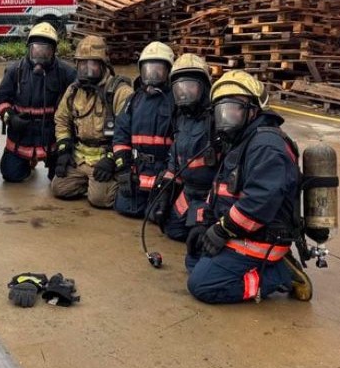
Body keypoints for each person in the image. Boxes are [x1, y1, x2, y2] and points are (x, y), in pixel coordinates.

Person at [186, 70, 312, 304]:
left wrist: (222, 230)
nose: (226, 117)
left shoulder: (266, 146)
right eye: (221, 111)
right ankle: (267, 268)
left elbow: (259, 203)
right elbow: (220, 191)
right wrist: (204, 223)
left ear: (254, 110)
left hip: (261, 238)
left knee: (202, 286)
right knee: (193, 261)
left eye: (234, 109)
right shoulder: (242, 140)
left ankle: (279, 275)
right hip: (242, 231)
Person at [49, 35, 133, 208]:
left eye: (92, 64)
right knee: (59, 188)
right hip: (80, 159)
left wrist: (111, 159)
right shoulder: (73, 90)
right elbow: (62, 119)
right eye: (82, 64)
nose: (86, 70)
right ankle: (89, 182)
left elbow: (129, 131)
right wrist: (64, 150)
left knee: (99, 200)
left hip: (105, 158)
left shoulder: (120, 92)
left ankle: (109, 184)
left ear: (103, 65)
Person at [0, 22, 77, 183]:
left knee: (60, 179)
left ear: (53, 51)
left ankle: (51, 162)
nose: (40, 54)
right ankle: (27, 163)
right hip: (22, 138)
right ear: (29, 49)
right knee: (11, 175)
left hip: (53, 139)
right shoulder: (15, 71)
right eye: (36, 49)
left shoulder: (66, 73)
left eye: (45, 50)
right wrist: (10, 117)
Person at [109, 41, 176, 220]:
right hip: (138, 168)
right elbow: (120, 136)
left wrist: (170, 174)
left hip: (164, 170)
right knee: (125, 208)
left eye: (158, 70)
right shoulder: (134, 100)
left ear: (168, 72)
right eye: (148, 70)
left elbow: (182, 144)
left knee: (157, 216)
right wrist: (123, 170)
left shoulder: (175, 101)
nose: (152, 75)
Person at [161, 54, 217, 242]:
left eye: (190, 86)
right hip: (189, 190)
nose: (184, 93)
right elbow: (175, 157)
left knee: (198, 240)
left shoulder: (216, 119)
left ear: (203, 87)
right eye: (179, 88)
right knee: (172, 230)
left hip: (210, 194)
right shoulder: (181, 117)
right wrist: (166, 189)